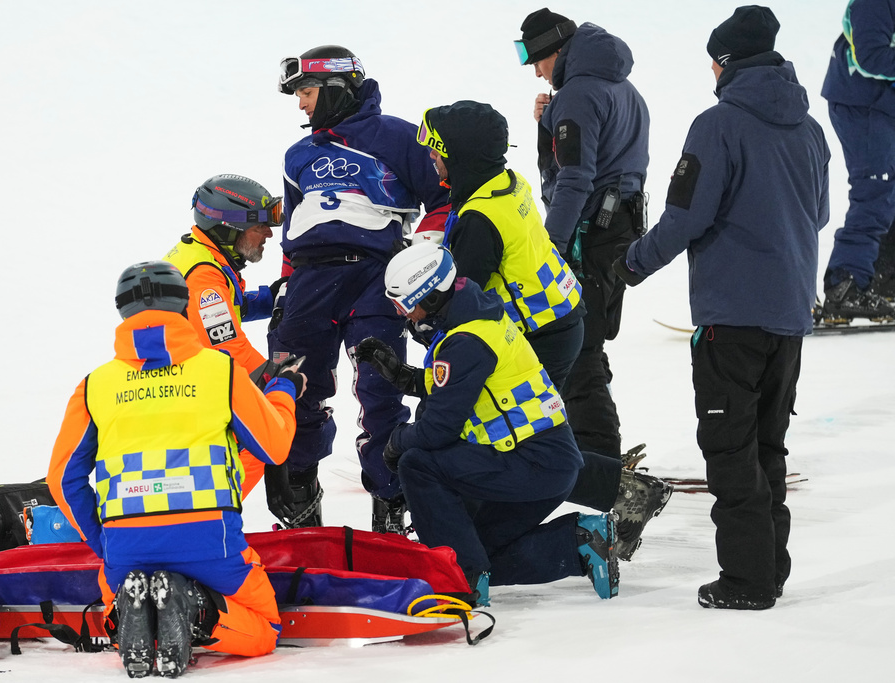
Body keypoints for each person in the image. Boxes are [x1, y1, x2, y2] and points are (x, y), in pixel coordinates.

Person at [613, 6, 829, 609]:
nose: (710, 71)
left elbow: (686, 216)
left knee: (730, 451)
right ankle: (768, 568)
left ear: (727, 62)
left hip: (731, 319)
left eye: (713, 60)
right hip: (789, 315)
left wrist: (630, 264)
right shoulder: (809, 130)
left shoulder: (718, 125)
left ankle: (747, 580)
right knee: (767, 446)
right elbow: (819, 216)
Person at [412, 100, 670, 560]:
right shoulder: (502, 183)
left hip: (542, 330)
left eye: (436, 151)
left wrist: (423, 318)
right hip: (560, 316)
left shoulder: (476, 219)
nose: (430, 159)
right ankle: (622, 492)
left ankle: (627, 495)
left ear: (458, 155)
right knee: (523, 432)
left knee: (521, 439)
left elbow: (456, 296)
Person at [47, 261, 305, 676]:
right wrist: (283, 390)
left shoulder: (95, 385)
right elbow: (273, 447)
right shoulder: (221, 371)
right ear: (184, 306)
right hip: (211, 544)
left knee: (136, 607)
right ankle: (198, 611)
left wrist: (105, 544)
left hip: (125, 550)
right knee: (264, 628)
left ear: (122, 312)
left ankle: (147, 617)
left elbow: (62, 479)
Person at [356, 242, 619, 603]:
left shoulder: (466, 341)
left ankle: (461, 579)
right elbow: (462, 387)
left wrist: (395, 442)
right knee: (476, 547)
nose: (406, 316)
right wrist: (403, 377)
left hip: (533, 463)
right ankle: (581, 543)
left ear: (431, 298)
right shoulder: (479, 319)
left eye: (406, 304)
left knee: (417, 463)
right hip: (545, 461)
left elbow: (438, 430)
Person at [272, 45, 450, 533]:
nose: (301, 104)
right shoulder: (298, 155)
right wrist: (287, 286)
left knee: (381, 388)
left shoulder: (398, 135)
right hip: (309, 280)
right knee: (295, 389)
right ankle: (300, 512)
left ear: (333, 87)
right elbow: (292, 227)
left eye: (306, 92)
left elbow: (443, 197)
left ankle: (390, 510)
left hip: (376, 277)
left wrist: (423, 256)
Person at [515, 9, 650, 459]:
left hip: (589, 234)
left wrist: (548, 246)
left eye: (536, 58)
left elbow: (574, 179)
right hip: (622, 230)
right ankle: (597, 450)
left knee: (577, 352)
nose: (536, 69)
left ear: (555, 49)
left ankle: (601, 465)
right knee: (590, 342)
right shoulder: (623, 88)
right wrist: (548, 121)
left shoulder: (578, 94)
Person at [164, 174, 289, 501]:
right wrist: (283, 377)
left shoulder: (201, 257)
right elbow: (230, 352)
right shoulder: (204, 277)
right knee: (261, 436)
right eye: (260, 225)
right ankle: (208, 511)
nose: (269, 234)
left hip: (175, 386)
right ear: (229, 228)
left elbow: (212, 314)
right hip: (184, 396)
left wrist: (265, 300)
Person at [819, 0, 895, 322]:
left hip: (880, 103)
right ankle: (844, 284)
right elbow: (870, 55)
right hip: (861, 103)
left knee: (888, 194)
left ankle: (883, 282)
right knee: (874, 191)